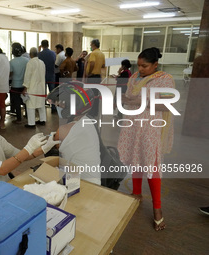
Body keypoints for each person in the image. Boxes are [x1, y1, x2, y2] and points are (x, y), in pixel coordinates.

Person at [117, 47, 175, 231]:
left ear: (155, 64)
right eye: (139, 65)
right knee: (136, 160)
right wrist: (121, 99)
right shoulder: (134, 77)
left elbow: (167, 106)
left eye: (145, 66)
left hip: (151, 127)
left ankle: (157, 209)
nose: (140, 69)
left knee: (152, 165)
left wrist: (141, 101)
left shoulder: (165, 80)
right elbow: (129, 97)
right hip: (133, 124)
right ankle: (136, 194)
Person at [46, 82, 101, 185]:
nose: (57, 106)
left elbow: (50, 155)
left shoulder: (63, 130)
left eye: (61, 103)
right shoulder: (88, 121)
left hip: (82, 184)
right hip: (94, 180)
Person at [23, 47, 47, 129]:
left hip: (32, 87)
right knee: (41, 104)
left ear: (30, 54)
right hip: (41, 87)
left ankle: (31, 123)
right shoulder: (42, 62)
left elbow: (27, 76)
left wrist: (25, 87)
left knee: (31, 105)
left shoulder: (30, 63)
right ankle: (42, 120)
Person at [9, 43, 29, 124]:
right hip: (25, 84)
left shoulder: (11, 62)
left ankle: (19, 118)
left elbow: (10, 74)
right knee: (26, 101)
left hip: (15, 85)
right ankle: (27, 115)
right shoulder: (27, 60)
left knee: (17, 102)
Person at [86, 39, 105, 117]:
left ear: (93, 45)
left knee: (91, 95)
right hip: (98, 77)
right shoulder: (102, 54)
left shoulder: (93, 53)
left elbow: (92, 63)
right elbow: (103, 65)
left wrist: (89, 72)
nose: (90, 46)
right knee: (96, 95)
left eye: (91, 45)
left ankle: (91, 112)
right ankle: (95, 111)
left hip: (92, 77)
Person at [38, 40, 56, 112]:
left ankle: (42, 107)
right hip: (51, 74)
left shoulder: (40, 54)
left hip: (42, 75)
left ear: (41, 45)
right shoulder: (53, 53)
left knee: (43, 92)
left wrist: (38, 50)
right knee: (52, 91)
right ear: (48, 45)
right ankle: (53, 107)